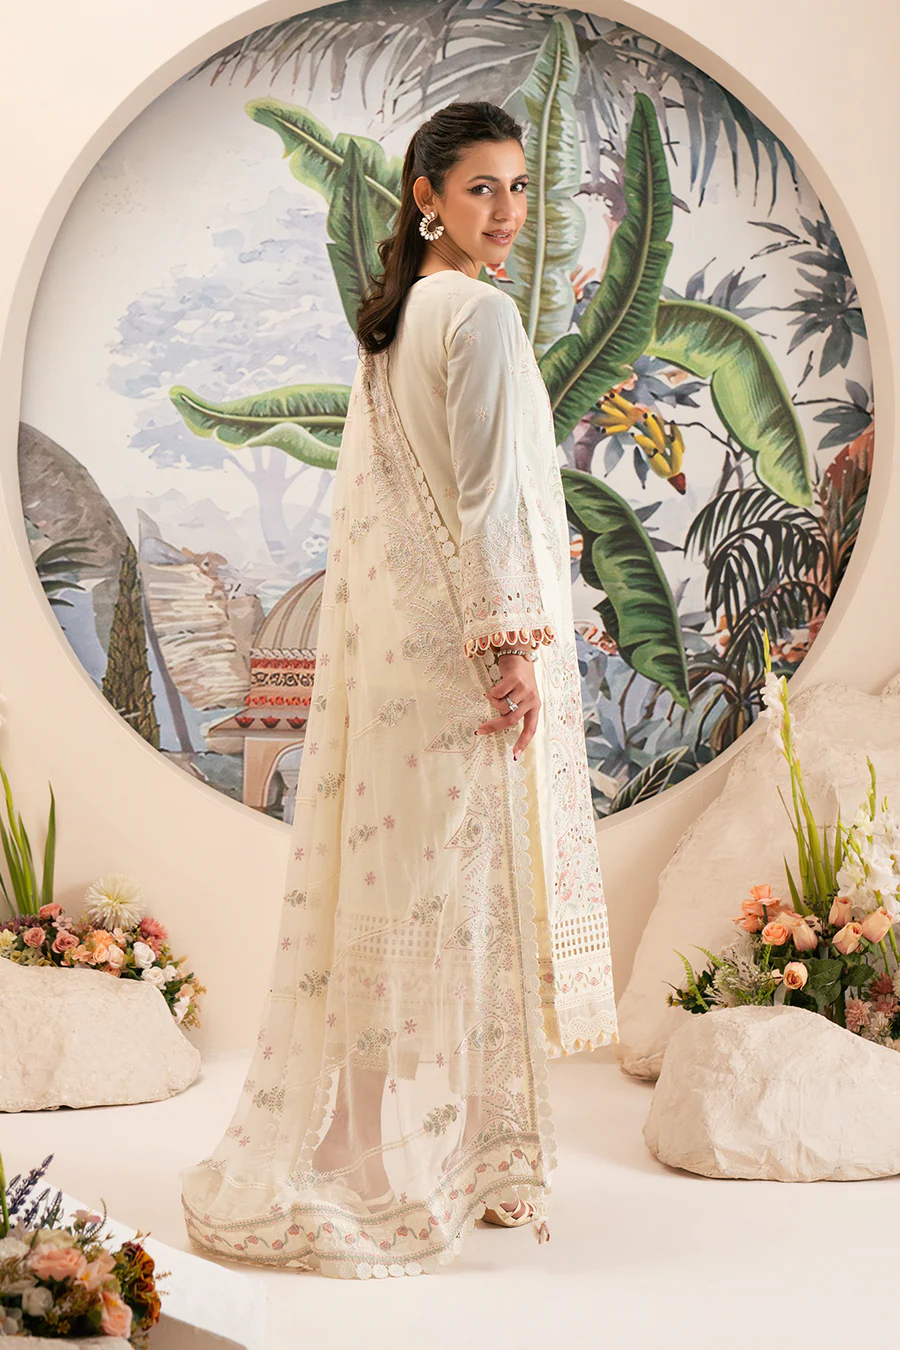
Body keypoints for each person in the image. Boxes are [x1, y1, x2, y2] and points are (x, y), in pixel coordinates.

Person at [181, 100, 617, 1281]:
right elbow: (483, 493)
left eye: (519, 187)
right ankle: (371, 1153)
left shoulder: (402, 317)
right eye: (481, 188)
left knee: (395, 901)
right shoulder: (476, 313)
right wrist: (511, 648)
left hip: (402, 666)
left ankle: (372, 1140)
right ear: (426, 197)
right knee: (442, 905)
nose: (508, 211)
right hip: (460, 667)